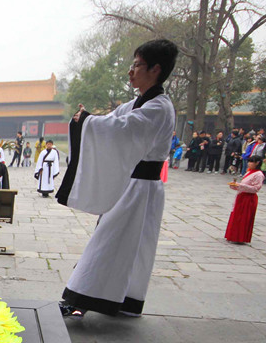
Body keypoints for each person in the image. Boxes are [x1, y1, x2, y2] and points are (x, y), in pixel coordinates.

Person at [55, 39, 178, 318]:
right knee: (126, 245)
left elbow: (123, 130)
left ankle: (80, 298)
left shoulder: (159, 107)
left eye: (136, 65)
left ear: (155, 69)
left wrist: (87, 121)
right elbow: (112, 120)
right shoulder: (140, 103)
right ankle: (119, 299)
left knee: (110, 241)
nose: (131, 72)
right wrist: (87, 120)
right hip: (134, 186)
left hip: (141, 187)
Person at [225, 156, 264, 244]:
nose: (249, 164)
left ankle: (240, 237)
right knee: (236, 215)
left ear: (257, 163)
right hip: (241, 196)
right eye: (249, 162)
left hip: (248, 198)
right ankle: (232, 235)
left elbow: (255, 188)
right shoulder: (249, 172)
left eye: (251, 162)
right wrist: (235, 186)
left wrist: (241, 186)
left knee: (243, 217)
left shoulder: (259, 174)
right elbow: (242, 185)